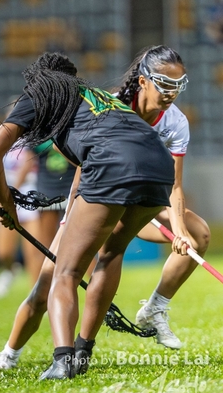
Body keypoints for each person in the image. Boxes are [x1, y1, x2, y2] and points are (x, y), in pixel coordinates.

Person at [0, 47, 196, 374]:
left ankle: (63, 361)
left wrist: (7, 204)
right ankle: (80, 352)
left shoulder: (41, 91)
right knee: (111, 254)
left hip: (111, 171)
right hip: (158, 168)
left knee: (64, 273)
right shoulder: (96, 96)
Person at [78, 45, 208, 355]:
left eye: (177, 85)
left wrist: (180, 231)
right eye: (164, 84)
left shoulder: (175, 122)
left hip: (147, 201)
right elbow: (82, 161)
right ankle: (14, 351)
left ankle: (154, 308)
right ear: (143, 81)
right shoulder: (112, 108)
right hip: (102, 194)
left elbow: (174, 186)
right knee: (57, 272)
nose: (171, 92)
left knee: (198, 235)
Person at [0, 148, 41, 298]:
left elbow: (28, 162)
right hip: (7, 193)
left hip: (31, 193)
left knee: (33, 252)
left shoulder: (31, 137)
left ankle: (35, 295)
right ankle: (10, 270)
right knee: (2, 253)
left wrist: (11, 192)